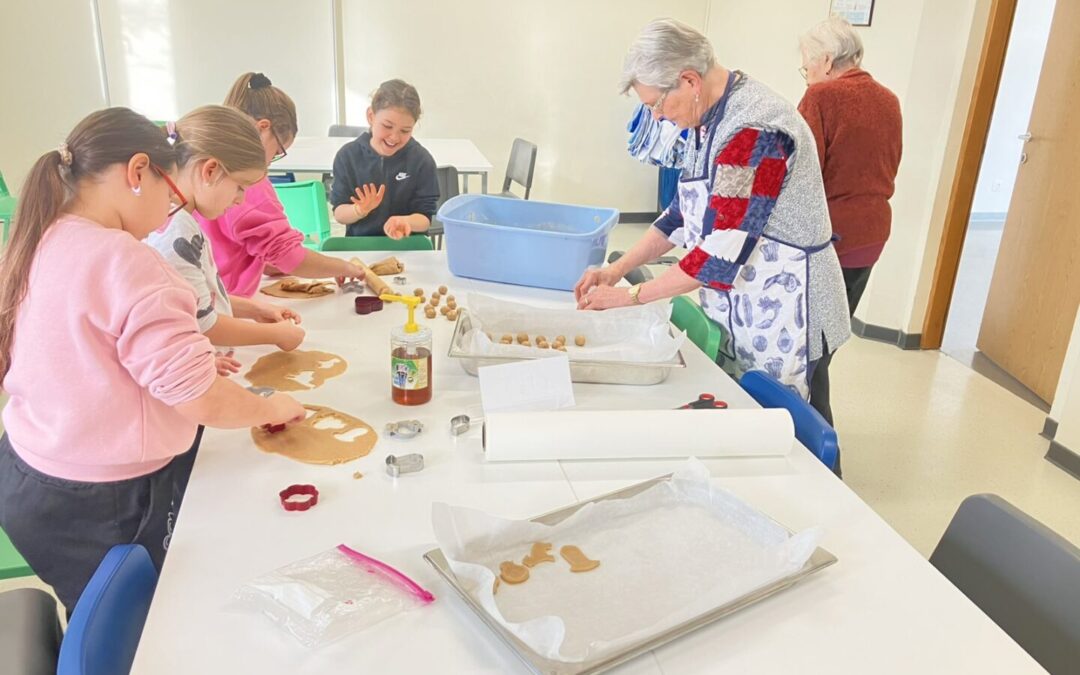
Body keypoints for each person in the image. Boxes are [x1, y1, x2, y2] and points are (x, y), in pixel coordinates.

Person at [0, 108, 305, 614]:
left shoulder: (40, 234)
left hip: (27, 476)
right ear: (137, 171)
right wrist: (269, 407)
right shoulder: (127, 260)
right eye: (167, 193)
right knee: (139, 629)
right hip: (102, 500)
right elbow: (201, 397)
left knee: (95, 613)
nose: (169, 211)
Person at [575, 18, 850, 409]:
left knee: (796, 427)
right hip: (750, 302)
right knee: (750, 412)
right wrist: (615, 271)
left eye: (655, 103)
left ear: (689, 81)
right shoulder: (706, 121)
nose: (654, 116)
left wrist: (630, 297)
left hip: (793, 309)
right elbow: (679, 215)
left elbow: (719, 255)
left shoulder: (754, 132)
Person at [797, 17, 902, 429]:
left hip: (830, 237)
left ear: (825, 60)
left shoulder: (820, 97)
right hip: (872, 234)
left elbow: (802, 176)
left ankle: (822, 451)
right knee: (824, 348)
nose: (805, 73)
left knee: (807, 353)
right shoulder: (889, 99)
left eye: (805, 64)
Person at [146, 105, 306, 353]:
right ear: (210, 170)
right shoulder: (176, 231)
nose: (241, 200)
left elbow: (198, 299)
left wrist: (255, 309)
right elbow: (206, 325)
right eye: (240, 187)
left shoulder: (180, 219)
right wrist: (275, 334)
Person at [195, 73, 364, 298]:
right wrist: (345, 268)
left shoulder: (200, 165)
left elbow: (230, 244)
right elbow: (289, 256)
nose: (269, 163)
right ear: (263, 128)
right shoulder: (249, 182)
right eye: (276, 152)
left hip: (207, 299)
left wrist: (266, 261)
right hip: (223, 304)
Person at [330, 79, 439, 239]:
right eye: (387, 126)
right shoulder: (348, 156)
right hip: (361, 246)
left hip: (408, 247)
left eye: (405, 130)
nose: (394, 137)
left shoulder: (421, 160)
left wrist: (404, 221)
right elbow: (339, 213)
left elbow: (425, 218)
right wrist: (359, 210)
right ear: (371, 116)